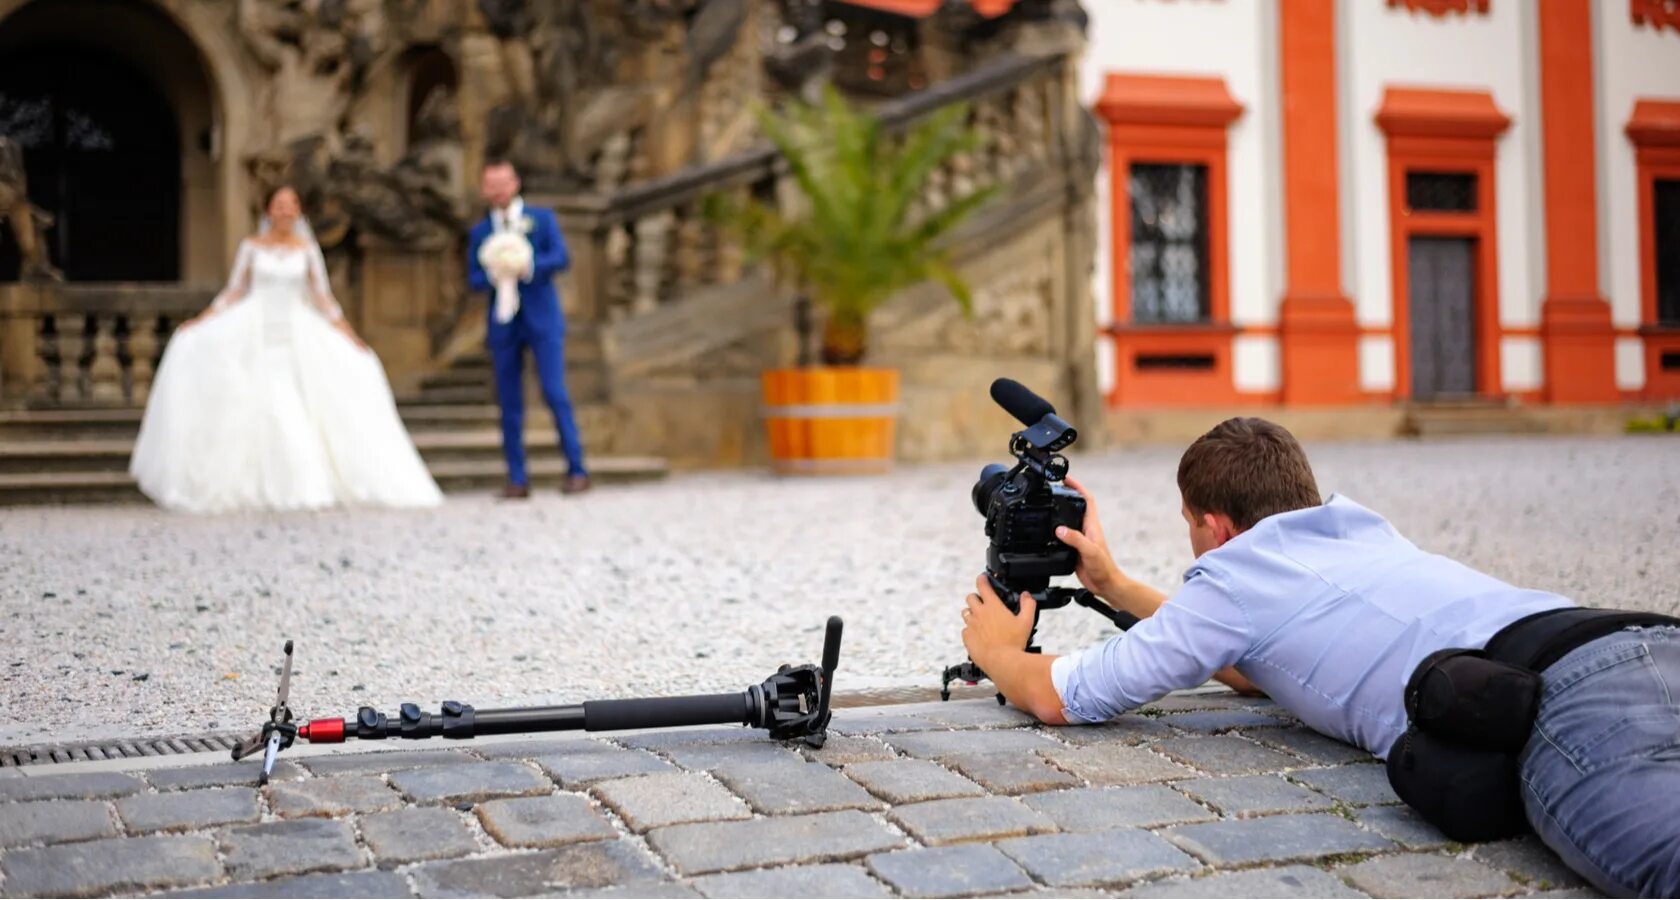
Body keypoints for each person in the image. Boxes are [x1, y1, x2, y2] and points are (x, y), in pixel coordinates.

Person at [958, 417, 1679, 897]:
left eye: (1190, 529)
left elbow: (1065, 696)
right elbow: (1253, 668)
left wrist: (996, 654)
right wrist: (1114, 585)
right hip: (1639, 638)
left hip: (1569, 701)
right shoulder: (1358, 529)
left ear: (1214, 527)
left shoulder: (1234, 576)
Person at [129, 186, 443, 513]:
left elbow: (322, 298)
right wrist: (202, 319)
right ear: (268, 211)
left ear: (299, 212)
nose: (286, 211)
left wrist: (350, 335)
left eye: (292, 205)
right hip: (254, 331)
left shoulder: (306, 249)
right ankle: (258, 481)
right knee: (253, 399)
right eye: (279, 205)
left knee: (299, 400)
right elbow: (235, 290)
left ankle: (301, 482)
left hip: (297, 333)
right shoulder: (251, 247)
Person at [465, 158, 589, 499]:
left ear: (515, 183)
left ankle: (577, 469)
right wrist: (495, 273)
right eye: (492, 184)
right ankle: (517, 478)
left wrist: (526, 265)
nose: (499, 190)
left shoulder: (542, 219)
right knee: (509, 401)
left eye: (503, 182)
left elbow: (561, 258)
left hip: (542, 318)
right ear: (484, 189)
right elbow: (473, 279)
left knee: (554, 391)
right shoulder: (480, 232)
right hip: (504, 323)